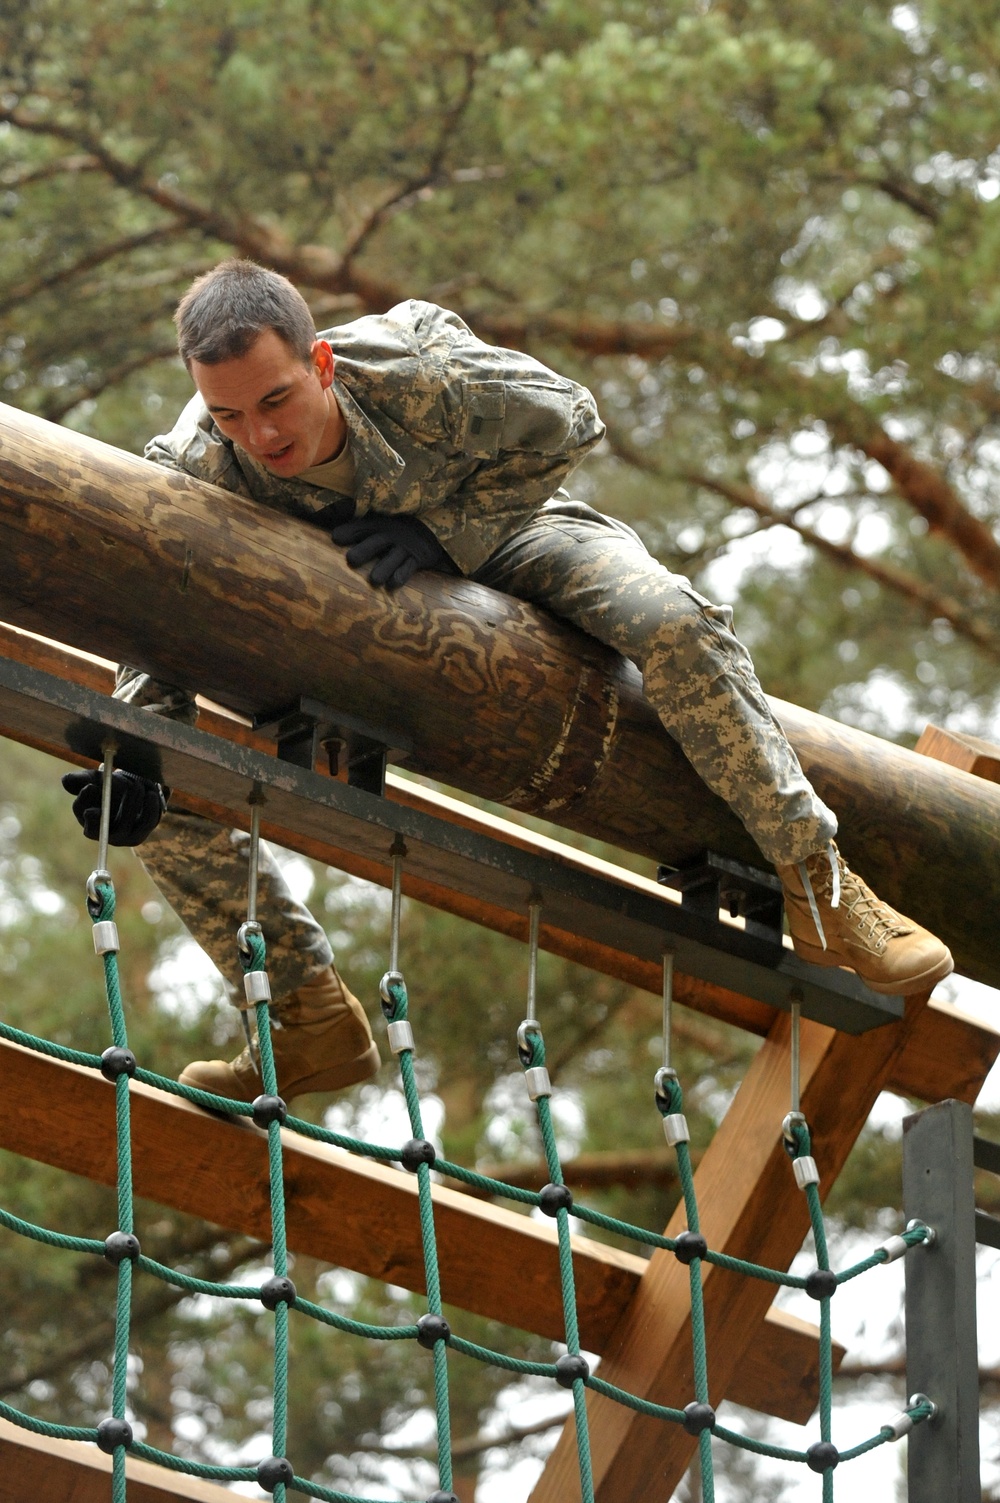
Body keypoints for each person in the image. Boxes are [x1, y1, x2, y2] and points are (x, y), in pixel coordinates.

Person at [63, 260, 953, 1104]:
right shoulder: (196, 462)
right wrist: (139, 752)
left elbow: (569, 417)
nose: (260, 436)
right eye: (230, 416)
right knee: (138, 787)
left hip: (510, 534)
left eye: (276, 400)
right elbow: (161, 603)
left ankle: (820, 884)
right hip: (334, 607)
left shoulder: (414, 369)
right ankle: (303, 1017)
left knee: (678, 623)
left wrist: (444, 535)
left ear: (320, 361)